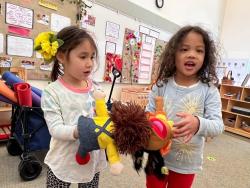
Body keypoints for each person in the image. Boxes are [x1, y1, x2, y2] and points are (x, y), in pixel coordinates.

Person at [145, 25, 224, 188]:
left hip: (186, 164)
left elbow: (218, 126)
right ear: (173, 54)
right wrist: (154, 128)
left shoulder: (209, 90)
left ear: (206, 56)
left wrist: (198, 123)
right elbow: (147, 115)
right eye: (184, 49)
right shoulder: (161, 86)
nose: (191, 55)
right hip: (157, 157)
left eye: (199, 50)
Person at [39, 26, 107, 188]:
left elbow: (100, 116)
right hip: (63, 159)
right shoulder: (52, 92)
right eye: (83, 57)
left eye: (92, 57)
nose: (90, 63)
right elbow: (55, 128)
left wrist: (104, 117)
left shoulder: (94, 87)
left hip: (92, 156)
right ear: (62, 56)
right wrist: (78, 131)